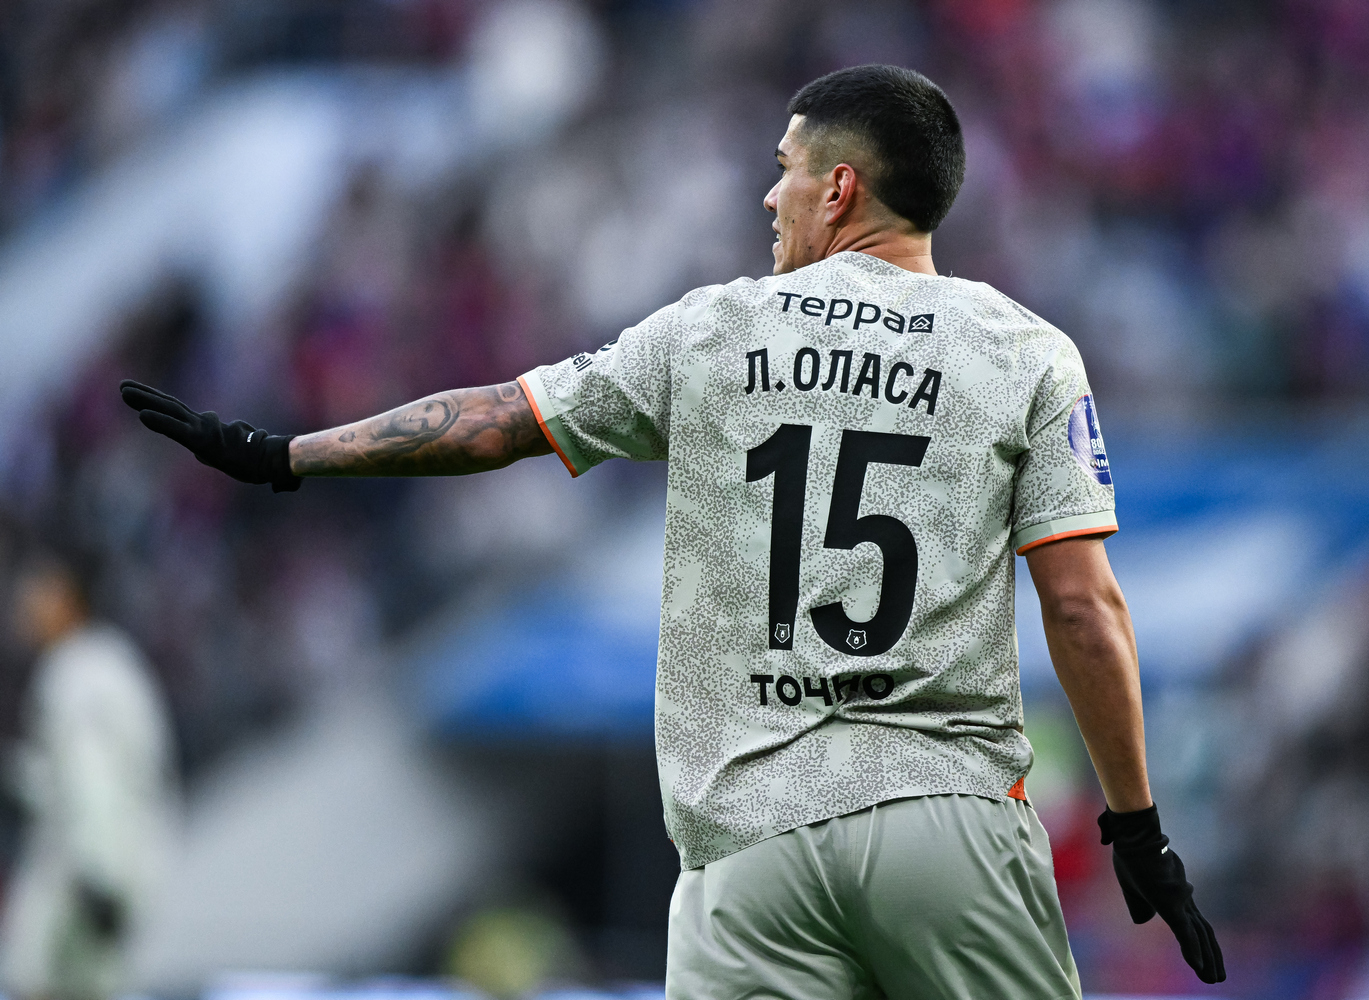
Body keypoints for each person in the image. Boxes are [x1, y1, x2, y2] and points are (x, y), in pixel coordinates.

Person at [121, 64, 1224, 997]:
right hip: (946, 826)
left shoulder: (713, 331)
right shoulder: (1025, 354)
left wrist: (292, 453)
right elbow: (1082, 605)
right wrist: (1134, 824)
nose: (770, 195)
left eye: (785, 168)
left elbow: (501, 421)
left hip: (750, 847)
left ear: (840, 188)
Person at [1, 554, 176, 1000]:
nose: (25, 606)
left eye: (38, 592)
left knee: (44, 985)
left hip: (84, 875)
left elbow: (93, 778)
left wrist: (98, 874)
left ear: (68, 598)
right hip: (111, 864)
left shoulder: (78, 672)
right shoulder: (112, 661)